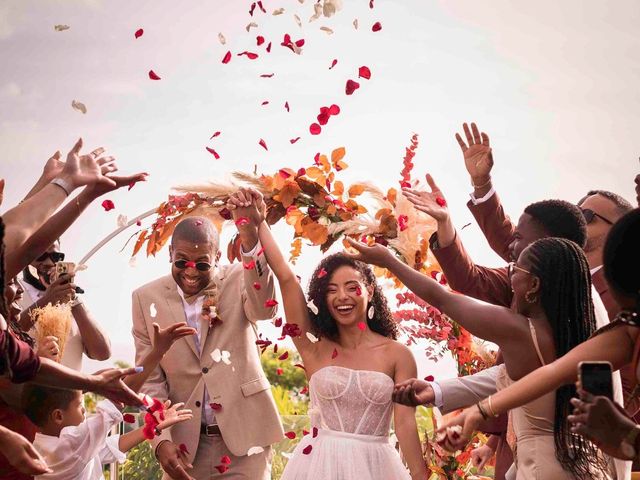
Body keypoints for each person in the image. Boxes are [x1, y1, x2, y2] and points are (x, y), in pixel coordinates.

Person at [402, 122, 627, 479]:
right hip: (525, 449)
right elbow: (524, 374)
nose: (513, 258)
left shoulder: (616, 305)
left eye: (588, 215)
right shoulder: (530, 289)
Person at [347, 235, 608, 479]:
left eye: (515, 271)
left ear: (534, 285)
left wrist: (388, 261)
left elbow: (443, 299)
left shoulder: (521, 331)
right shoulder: (585, 337)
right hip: (580, 464)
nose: (511, 278)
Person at [225, 188, 429, 480]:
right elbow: (284, 274)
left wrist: (421, 478)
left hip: (377, 468)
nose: (341, 297)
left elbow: (406, 424)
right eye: (331, 290)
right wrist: (258, 223)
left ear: (369, 291)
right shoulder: (314, 347)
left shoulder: (397, 355)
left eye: (351, 287)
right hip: (317, 467)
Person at [427, 209, 640, 463]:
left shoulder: (582, 306)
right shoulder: (628, 330)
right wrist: (478, 412)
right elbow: (553, 372)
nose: (513, 254)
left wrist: (626, 438)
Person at [132, 211, 283, 480]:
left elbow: (264, 310)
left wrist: (250, 244)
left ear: (217, 257)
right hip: (185, 449)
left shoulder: (239, 278)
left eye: (202, 264)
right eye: (182, 261)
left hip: (246, 443)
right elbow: (149, 379)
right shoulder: (144, 298)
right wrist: (161, 440)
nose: (190, 271)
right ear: (170, 254)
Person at [24, 387, 191, 480]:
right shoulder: (70, 444)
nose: (84, 409)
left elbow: (108, 448)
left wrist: (153, 426)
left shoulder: (43, 445)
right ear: (58, 416)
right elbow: (115, 403)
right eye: (79, 404)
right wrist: (156, 352)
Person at [17, 239, 111, 370]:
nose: (49, 262)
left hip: (69, 390)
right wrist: (47, 300)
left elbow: (102, 353)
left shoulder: (72, 299)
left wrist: (73, 299)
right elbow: (7, 337)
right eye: (40, 256)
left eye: (55, 256)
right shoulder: (11, 294)